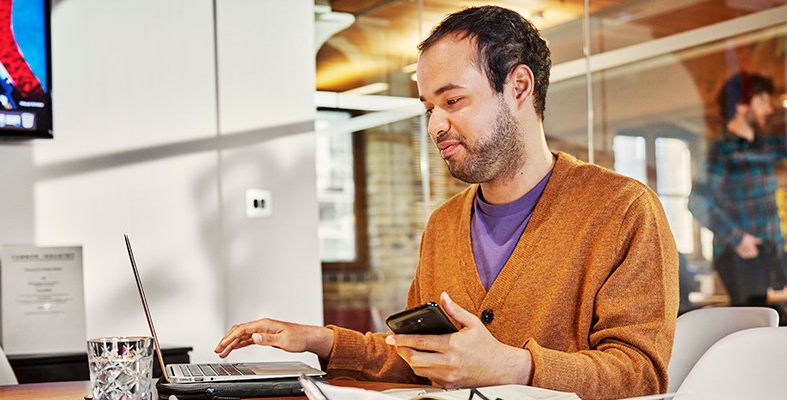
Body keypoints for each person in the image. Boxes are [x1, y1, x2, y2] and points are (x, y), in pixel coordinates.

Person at [215, 6, 678, 399]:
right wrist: (321, 341)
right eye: (427, 109)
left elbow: (641, 375)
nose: (435, 125)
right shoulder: (443, 224)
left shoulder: (623, 209)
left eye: (452, 101)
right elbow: (421, 357)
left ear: (519, 87)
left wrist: (516, 368)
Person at [689, 72, 787, 310]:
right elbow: (697, 202)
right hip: (740, 255)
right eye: (762, 101)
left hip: (772, 252)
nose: (769, 109)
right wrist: (737, 238)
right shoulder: (720, 152)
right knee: (753, 322)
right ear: (742, 105)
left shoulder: (762, 147)